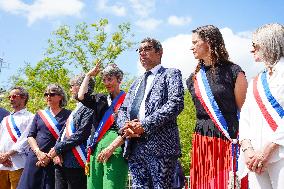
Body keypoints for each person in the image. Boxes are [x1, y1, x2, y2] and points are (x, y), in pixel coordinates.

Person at [186, 25, 248, 189]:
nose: (191, 47)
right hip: (202, 138)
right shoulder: (192, 78)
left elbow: (246, 112)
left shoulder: (234, 71)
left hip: (229, 137)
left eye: (195, 42)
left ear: (209, 42)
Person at [118, 37, 184, 188]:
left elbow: (176, 103)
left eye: (147, 49)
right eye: (139, 50)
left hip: (161, 148)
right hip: (134, 147)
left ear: (159, 52)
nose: (142, 53)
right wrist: (126, 127)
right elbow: (122, 110)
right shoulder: (136, 82)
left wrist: (144, 125)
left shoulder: (171, 74)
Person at [239, 23, 284, 189]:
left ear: (269, 43)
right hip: (255, 159)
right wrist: (248, 150)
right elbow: (245, 117)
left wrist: (267, 151)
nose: (251, 50)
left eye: (254, 45)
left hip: (279, 154)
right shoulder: (256, 81)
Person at [78, 63, 128, 189]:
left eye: (110, 79)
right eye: (104, 80)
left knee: (112, 185)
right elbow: (81, 96)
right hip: (96, 147)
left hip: (116, 148)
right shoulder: (100, 98)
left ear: (119, 79)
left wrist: (112, 147)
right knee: (94, 186)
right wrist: (88, 75)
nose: (106, 83)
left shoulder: (128, 99)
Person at [46, 75, 95, 189]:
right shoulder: (77, 107)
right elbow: (63, 132)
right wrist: (57, 150)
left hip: (76, 162)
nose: (70, 89)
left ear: (83, 87)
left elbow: (81, 134)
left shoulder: (90, 107)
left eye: (72, 86)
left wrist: (58, 148)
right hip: (62, 160)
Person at [17, 84, 71, 189]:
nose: (48, 97)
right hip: (35, 158)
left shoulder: (69, 114)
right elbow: (30, 136)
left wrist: (53, 155)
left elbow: (69, 138)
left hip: (55, 158)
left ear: (60, 97)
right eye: (46, 94)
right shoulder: (40, 114)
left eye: (52, 94)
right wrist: (38, 153)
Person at [0, 87, 34, 189]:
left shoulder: (30, 117)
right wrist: (2, 157)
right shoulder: (5, 119)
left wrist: (8, 154)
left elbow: (26, 139)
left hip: (19, 163)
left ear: (24, 98)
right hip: (2, 164)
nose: (11, 99)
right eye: (9, 96)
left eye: (14, 96)